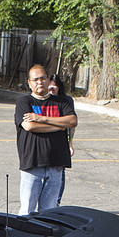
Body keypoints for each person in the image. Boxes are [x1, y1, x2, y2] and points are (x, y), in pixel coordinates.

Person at [14, 64, 77, 214]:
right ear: (29, 83)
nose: (39, 82)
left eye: (43, 78)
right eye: (35, 80)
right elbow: (29, 126)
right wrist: (59, 125)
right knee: (26, 212)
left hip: (56, 165)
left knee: (49, 212)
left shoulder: (62, 102)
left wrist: (40, 118)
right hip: (33, 164)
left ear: (49, 80)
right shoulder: (24, 102)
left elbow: (72, 121)